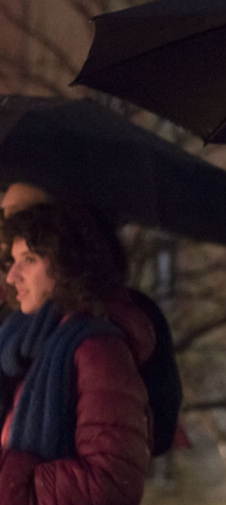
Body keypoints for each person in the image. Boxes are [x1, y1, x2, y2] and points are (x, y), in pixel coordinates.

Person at [0, 201, 152, 505]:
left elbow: (113, 478)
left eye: (29, 260)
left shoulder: (97, 350)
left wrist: (12, 479)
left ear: (67, 267)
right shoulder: (34, 351)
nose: (12, 276)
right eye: (12, 261)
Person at [0, 181, 182, 458]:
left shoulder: (114, 325)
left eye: (19, 214)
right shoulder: (15, 323)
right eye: (4, 216)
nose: (6, 228)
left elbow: (124, 452)